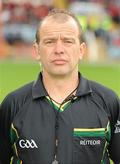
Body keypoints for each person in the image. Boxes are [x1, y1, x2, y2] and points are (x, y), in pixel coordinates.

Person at [0, 9, 120, 164]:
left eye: (68, 41)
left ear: (81, 50)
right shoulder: (13, 104)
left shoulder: (108, 101)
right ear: (37, 50)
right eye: (49, 42)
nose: (59, 50)